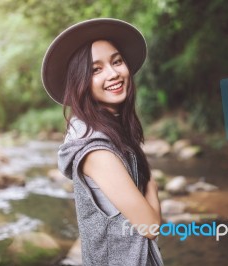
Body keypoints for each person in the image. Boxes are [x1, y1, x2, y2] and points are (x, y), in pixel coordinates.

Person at [41, 18, 164, 265]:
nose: (113, 73)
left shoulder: (113, 131)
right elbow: (150, 226)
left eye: (116, 61)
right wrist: (152, 184)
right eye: (96, 69)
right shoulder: (97, 152)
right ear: (80, 83)